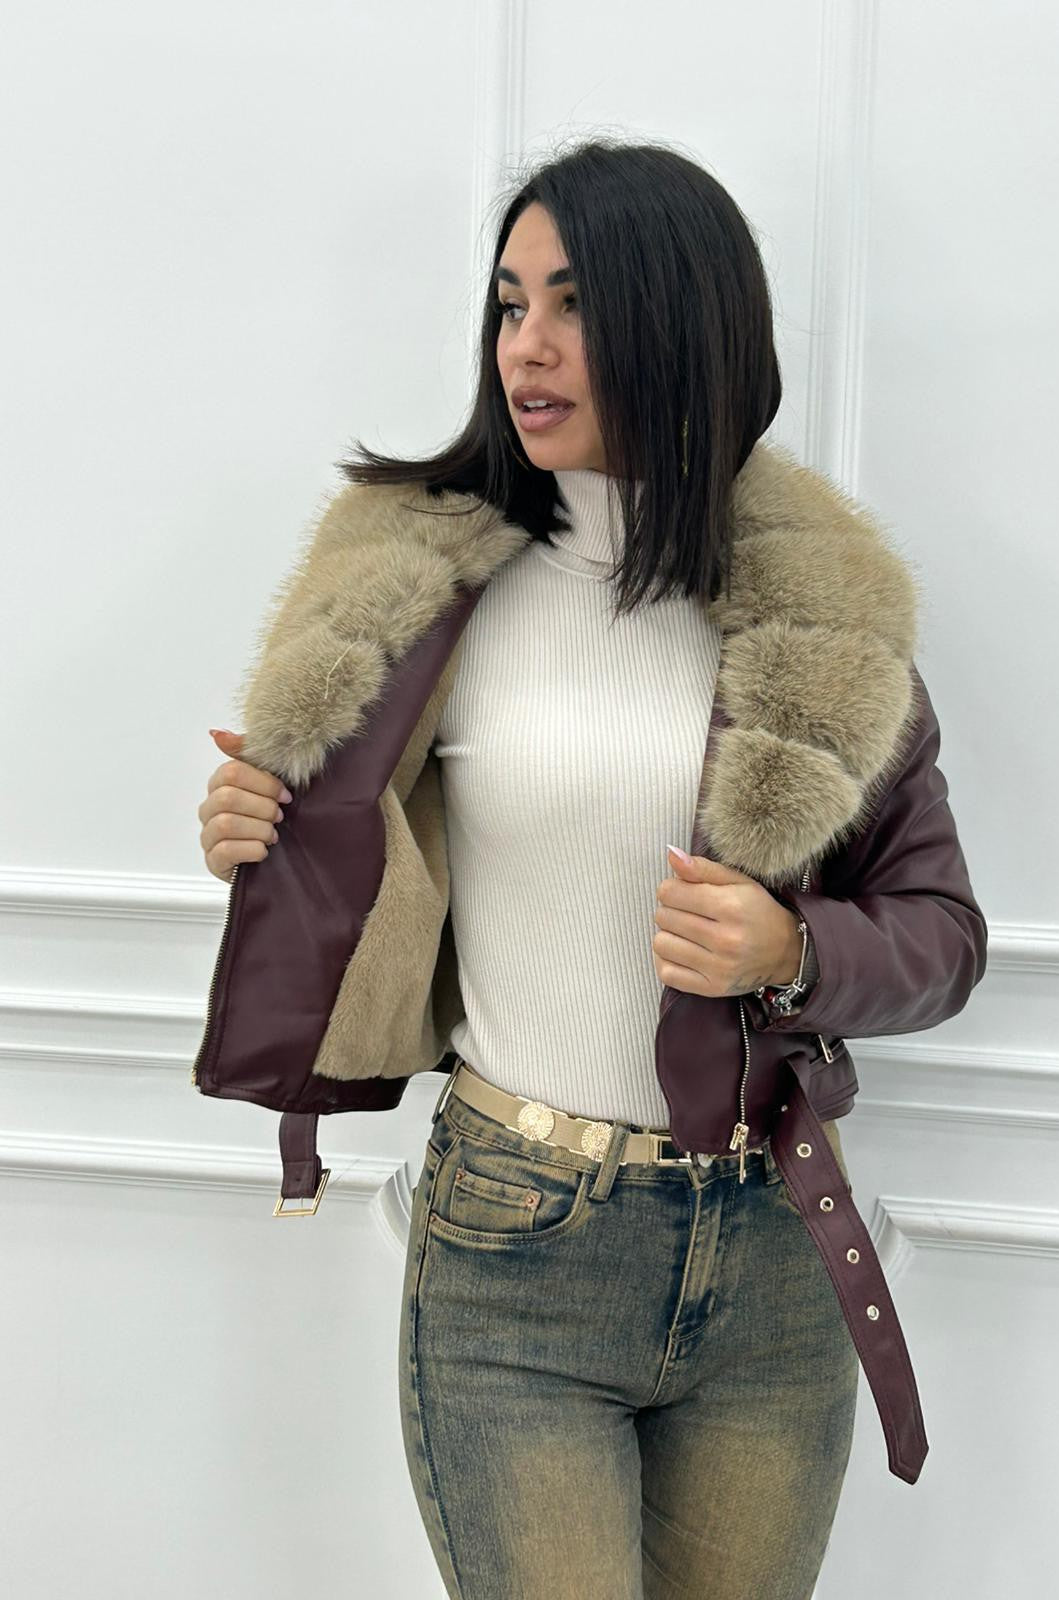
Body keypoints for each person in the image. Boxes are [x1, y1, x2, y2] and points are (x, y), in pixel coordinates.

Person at [195, 138, 987, 1600]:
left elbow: (943, 932)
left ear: (683, 328)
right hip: (518, 1247)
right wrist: (250, 827)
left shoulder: (823, 628)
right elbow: (353, 846)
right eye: (510, 304)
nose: (527, 345)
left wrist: (793, 950)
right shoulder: (432, 595)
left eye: (574, 305)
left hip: (772, 1250)